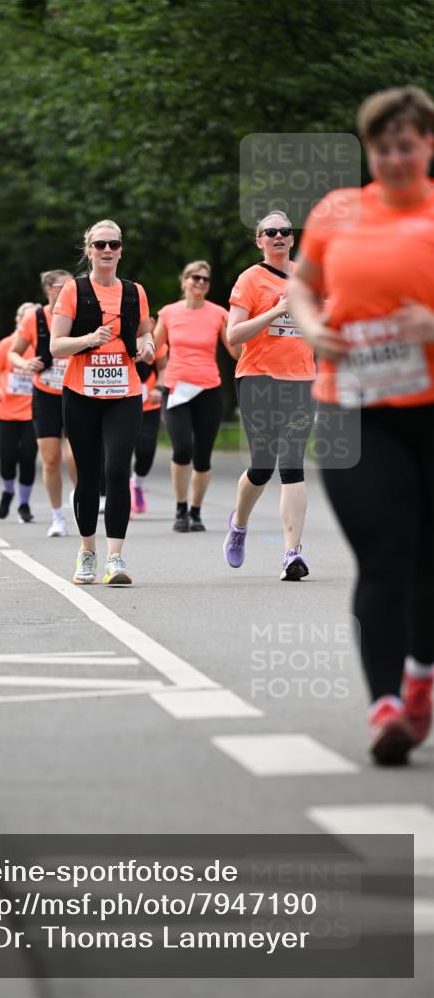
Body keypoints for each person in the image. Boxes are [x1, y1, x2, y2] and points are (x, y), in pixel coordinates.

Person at [289, 86, 434, 764]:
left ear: (427, 145)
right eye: (382, 148)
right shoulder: (335, 213)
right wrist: (314, 324)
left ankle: (417, 679)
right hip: (351, 409)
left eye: (406, 145)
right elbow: (302, 281)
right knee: (382, 555)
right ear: (368, 151)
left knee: (427, 565)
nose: (395, 159)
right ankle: (383, 710)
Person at [50, 219, 155, 585]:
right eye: (99, 245)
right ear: (89, 249)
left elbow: (145, 331)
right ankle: (87, 552)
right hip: (81, 394)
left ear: (121, 249)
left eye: (113, 244)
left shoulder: (134, 291)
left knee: (117, 471)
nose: (107, 250)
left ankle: (116, 558)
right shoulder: (73, 290)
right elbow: (56, 345)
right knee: (89, 474)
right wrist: (90, 338)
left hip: (124, 393)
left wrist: (148, 346)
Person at [223, 212, 316, 580]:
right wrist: (276, 310)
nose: (278, 236)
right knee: (262, 466)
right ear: (259, 241)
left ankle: (291, 553)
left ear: (292, 239)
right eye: (270, 232)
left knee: (292, 464)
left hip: (301, 380)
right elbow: (233, 335)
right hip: (258, 380)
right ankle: (239, 524)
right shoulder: (250, 279)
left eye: (284, 231)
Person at [153, 261, 238, 532]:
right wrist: (163, 370)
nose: (200, 283)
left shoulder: (218, 313)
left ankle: (196, 511)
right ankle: (180, 509)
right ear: (184, 281)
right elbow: (153, 348)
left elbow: (235, 351)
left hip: (209, 389)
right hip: (176, 389)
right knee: (182, 449)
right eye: (195, 278)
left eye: (205, 279)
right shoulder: (168, 313)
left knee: (202, 455)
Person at [10, 269, 77, 537]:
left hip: (76, 392)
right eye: (63, 286)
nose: (70, 291)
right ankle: (57, 516)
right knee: (50, 459)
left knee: (75, 456)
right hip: (46, 393)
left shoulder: (80, 314)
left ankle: (80, 496)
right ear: (48, 289)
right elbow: (14, 353)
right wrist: (25, 362)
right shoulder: (34, 317)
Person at [0, 303, 39, 523]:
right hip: (6, 411)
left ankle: (24, 503)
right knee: (8, 458)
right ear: (18, 320)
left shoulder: (41, 346)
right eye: (25, 316)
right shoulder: (7, 345)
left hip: (33, 412)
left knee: (28, 458)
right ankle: (7, 492)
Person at [131, 317, 168, 514]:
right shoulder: (118, 336)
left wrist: (159, 388)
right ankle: (112, 495)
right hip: (121, 404)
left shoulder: (154, 343)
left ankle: (137, 484)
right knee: (116, 452)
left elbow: (163, 368)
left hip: (149, 405)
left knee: (146, 451)